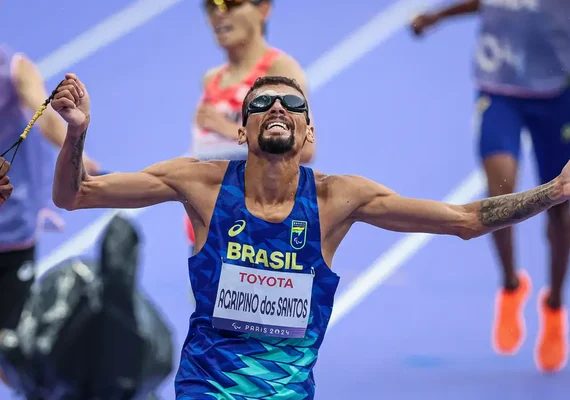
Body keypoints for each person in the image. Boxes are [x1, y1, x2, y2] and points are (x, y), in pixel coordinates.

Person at [51, 73, 570, 399]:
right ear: (242, 131)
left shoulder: (338, 200)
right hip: (205, 390)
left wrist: (553, 192)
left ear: (309, 132)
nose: (277, 108)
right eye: (262, 104)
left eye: (291, 104)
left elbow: (465, 220)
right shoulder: (199, 184)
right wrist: (76, 132)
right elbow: (75, 196)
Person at [410, 0, 570, 372]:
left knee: (562, 210)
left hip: (557, 96)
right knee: (501, 193)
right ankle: (512, 287)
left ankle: (554, 307)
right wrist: (437, 17)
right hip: (499, 91)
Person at [0, 44, 99, 385]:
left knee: (9, 348)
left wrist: (75, 151)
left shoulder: (13, 69)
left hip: (11, 229)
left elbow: (43, 119)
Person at [186, 0, 314, 248]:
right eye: (211, 6)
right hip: (210, 224)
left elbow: (305, 148)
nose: (219, 14)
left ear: (263, 9)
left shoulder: (280, 70)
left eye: (230, 3)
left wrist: (226, 128)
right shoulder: (211, 79)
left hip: (261, 231)